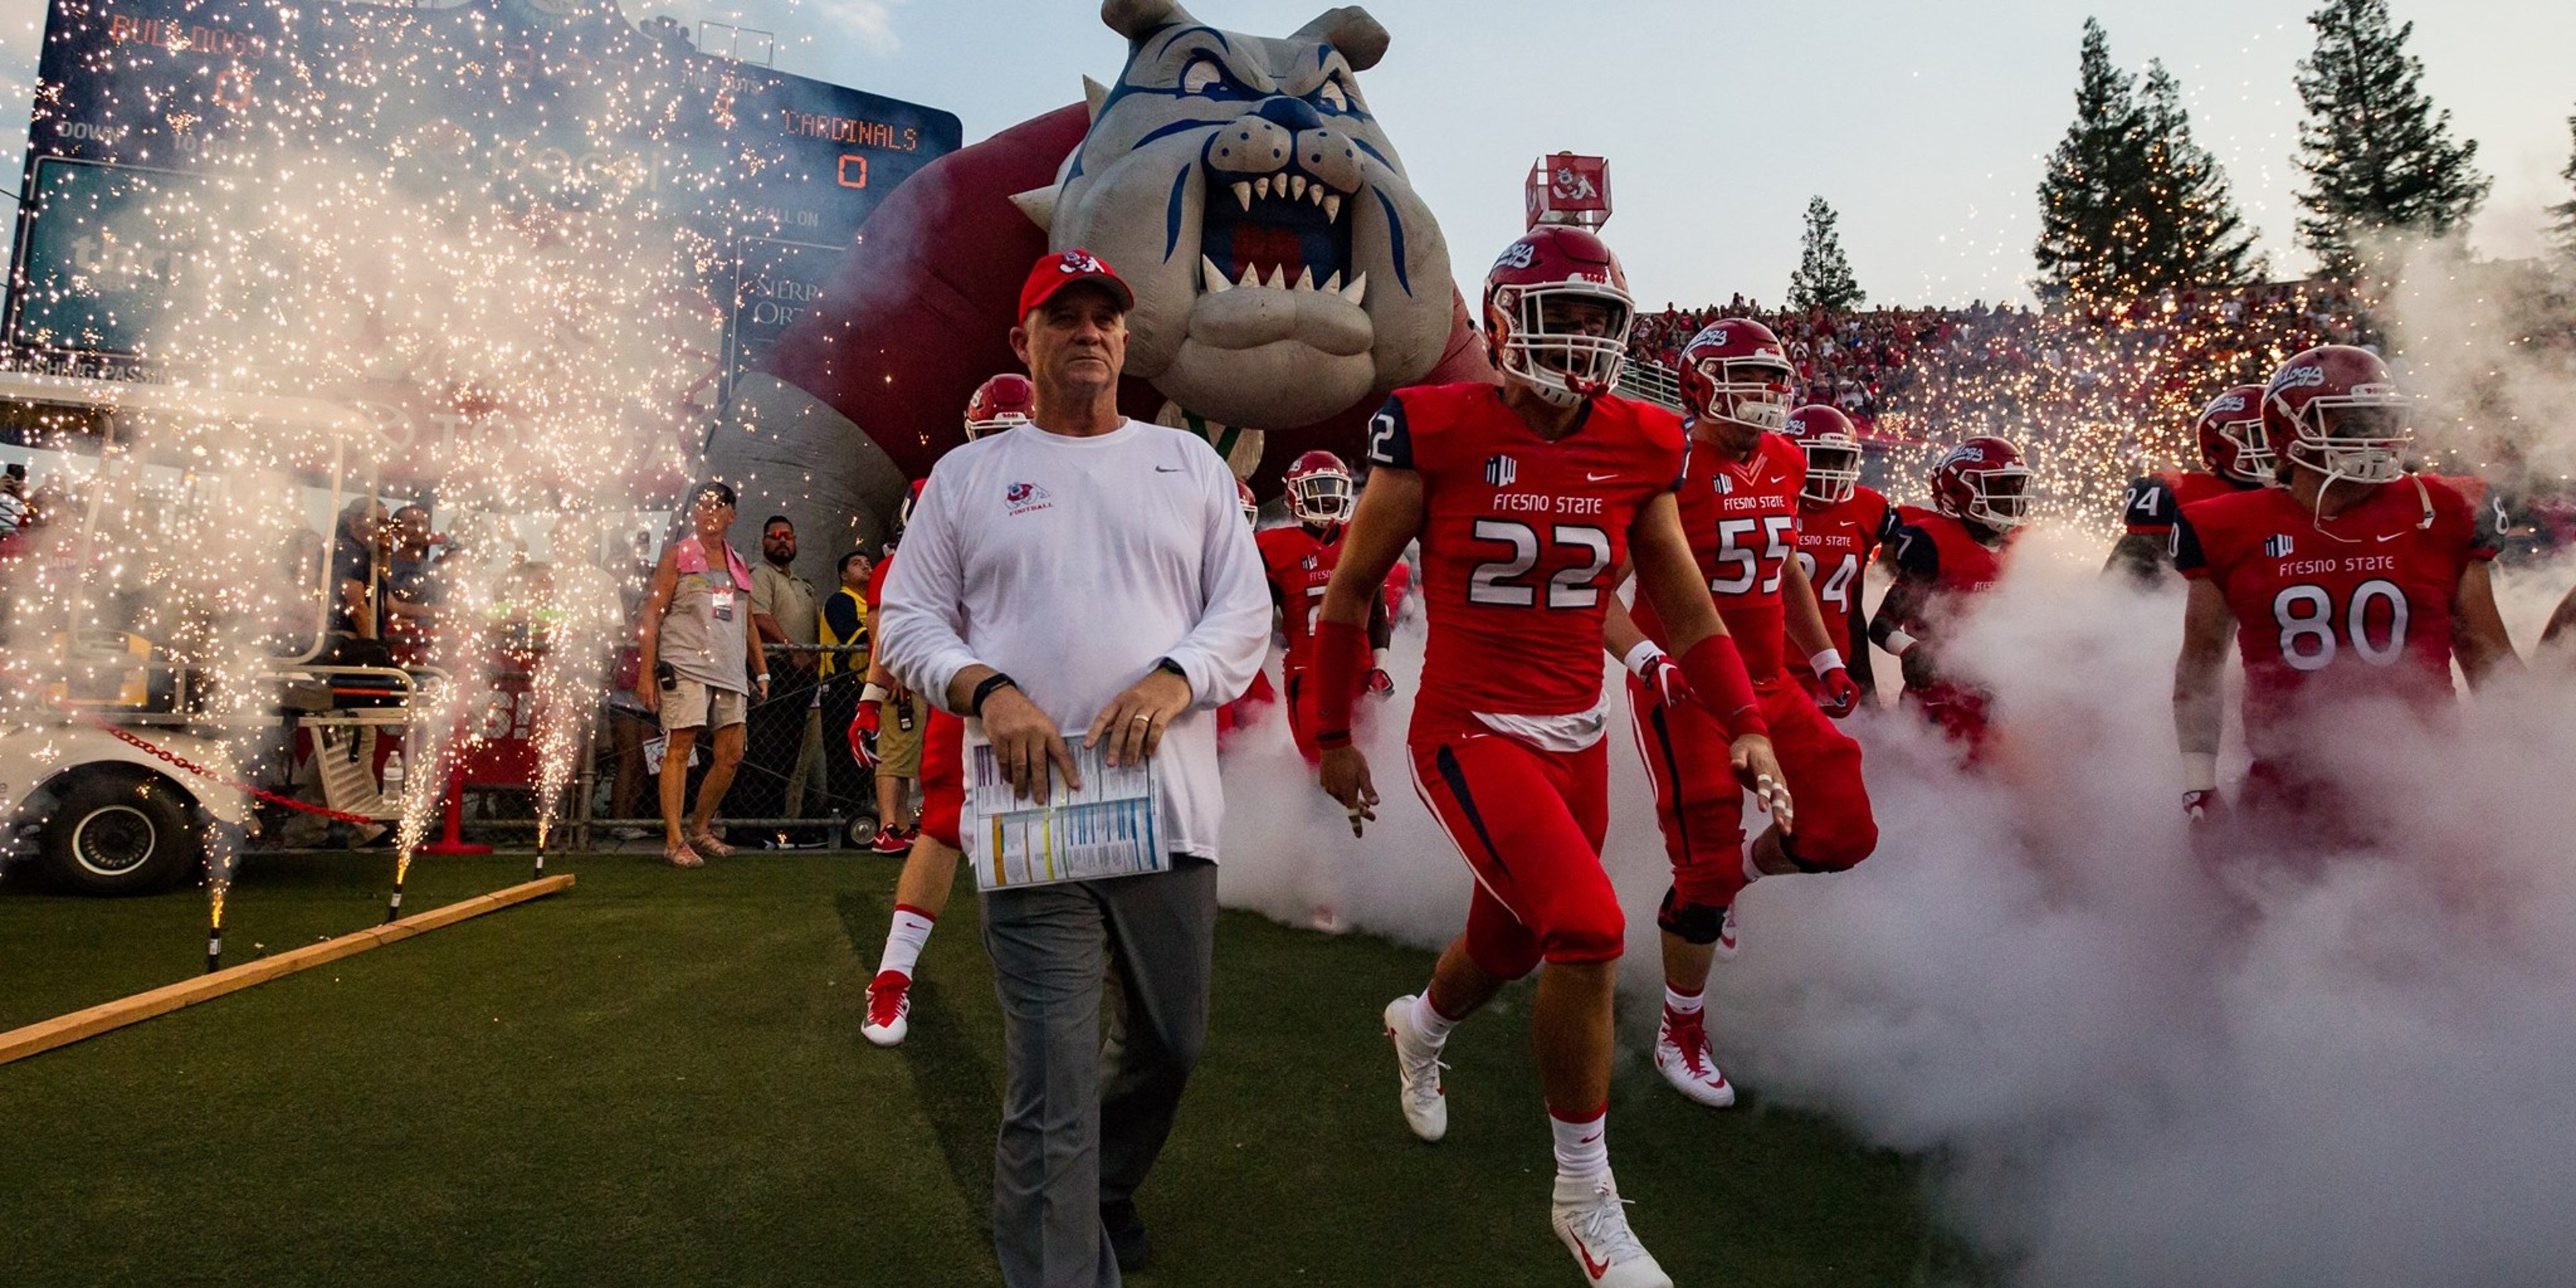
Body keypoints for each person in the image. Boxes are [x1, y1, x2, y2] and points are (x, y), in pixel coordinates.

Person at [1313, 227, 1784, 1288]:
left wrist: (1745, 716)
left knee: (1513, 942)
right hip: (1469, 731)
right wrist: (1333, 732)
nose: (1578, 342)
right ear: (1498, 324)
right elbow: (1350, 592)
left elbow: (1688, 605)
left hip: (1578, 731)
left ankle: (1421, 1025)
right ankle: (1585, 1197)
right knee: (1587, 926)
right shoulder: (1434, 425)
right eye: (1557, 318)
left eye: (1596, 322)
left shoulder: (1641, 438)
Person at [875, 249, 1267, 1287]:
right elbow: (907, 620)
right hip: (1032, 819)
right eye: (1064, 316)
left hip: (1167, 817)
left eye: (1104, 316)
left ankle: (1103, 1185)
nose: (1088, 330)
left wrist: (1177, 678)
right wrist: (985, 689)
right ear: (1024, 342)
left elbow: (1245, 610)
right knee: (1051, 1085)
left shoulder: (1187, 467)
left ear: (1128, 340)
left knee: (1170, 1050)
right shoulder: (966, 478)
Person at [1606, 321, 1876, 1111]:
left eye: (1772, 380)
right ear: (1698, 386)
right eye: (1746, 379)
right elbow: (1599, 590)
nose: (1764, 396)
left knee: (1842, 829)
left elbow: (1783, 562)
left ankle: (1739, 886)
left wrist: (1823, 655)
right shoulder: (1668, 456)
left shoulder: (1787, 458)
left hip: (1769, 681)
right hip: (1685, 686)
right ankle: (1679, 1031)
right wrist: (1647, 661)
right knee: (1704, 869)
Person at [2171, 345, 2518, 838]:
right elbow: (2200, 667)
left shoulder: (2445, 510)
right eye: (2351, 422)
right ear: (2286, 431)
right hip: (2288, 798)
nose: (2375, 436)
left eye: (2381, 418)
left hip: (2428, 789)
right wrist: (2198, 784)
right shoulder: (2228, 526)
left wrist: (2533, 766)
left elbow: (2492, 665)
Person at [857, 373, 1034, 1045]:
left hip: (1056, 688)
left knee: (1069, 837)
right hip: (969, 690)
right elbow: (909, 609)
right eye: (992, 435)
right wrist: (874, 695)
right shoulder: (944, 489)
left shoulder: (1076, 480)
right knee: (943, 824)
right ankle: (892, 980)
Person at [1868, 435, 2033, 757]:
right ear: (1960, 490)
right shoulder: (1933, 543)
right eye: (2001, 487)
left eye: (2017, 487)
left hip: (2002, 702)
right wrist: (1910, 650)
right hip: (1940, 704)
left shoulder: (2024, 544)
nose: (2012, 497)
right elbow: (1882, 623)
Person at [635, 482, 769, 867]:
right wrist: (646, 673)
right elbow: (652, 614)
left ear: (732, 515)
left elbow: (747, 622)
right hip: (685, 664)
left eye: (717, 507)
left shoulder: (738, 562)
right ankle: (674, 840)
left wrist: (762, 672)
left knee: (732, 754)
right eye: (703, 506)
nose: (709, 513)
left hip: (728, 670)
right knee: (680, 746)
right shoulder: (678, 555)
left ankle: (700, 828)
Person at [1254, 449, 1392, 763]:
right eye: (1318, 488)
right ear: (1294, 494)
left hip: (1359, 672)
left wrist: (1380, 668)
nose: (1328, 498)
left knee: (1369, 762)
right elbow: (1256, 622)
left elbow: (1378, 617)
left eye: (1333, 487)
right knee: (1322, 765)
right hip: (1309, 673)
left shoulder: (1359, 536)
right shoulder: (1273, 548)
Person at [1781, 404, 1898, 704]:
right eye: (1820, 457)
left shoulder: (1868, 507)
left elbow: (1855, 606)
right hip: (1772, 667)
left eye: (1840, 459)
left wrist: (1865, 681)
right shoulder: (1765, 498)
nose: (1830, 470)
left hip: (1835, 667)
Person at [2104, 386, 2273, 580]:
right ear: (2222, 443)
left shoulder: (2302, 490)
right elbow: (2122, 587)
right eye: (2261, 436)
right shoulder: (2179, 494)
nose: (2276, 444)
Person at [857, 482, 929, 855]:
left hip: (916, 675)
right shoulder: (891, 568)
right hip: (901, 678)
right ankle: (888, 825)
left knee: (906, 753)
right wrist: (895, 672)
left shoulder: (912, 565)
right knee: (895, 752)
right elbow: (878, 624)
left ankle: (900, 824)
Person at [746, 514, 825, 843]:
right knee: (766, 750)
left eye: (788, 535)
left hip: (802, 676)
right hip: (773, 668)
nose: (782, 540)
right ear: (764, 542)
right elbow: (758, 615)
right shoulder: (761, 574)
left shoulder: (803, 584)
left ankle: (774, 827)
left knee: (788, 754)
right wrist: (791, 647)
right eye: (774, 535)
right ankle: (750, 828)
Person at [818, 547, 875, 833]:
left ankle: (866, 815)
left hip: (869, 689)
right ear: (843, 574)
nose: (866, 568)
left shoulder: (877, 604)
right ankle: (842, 821)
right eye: (857, 564)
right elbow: (859, 637)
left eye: (869, 564)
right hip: (844, 688)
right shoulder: (841, 601)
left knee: (869, 755)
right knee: (844, 756)